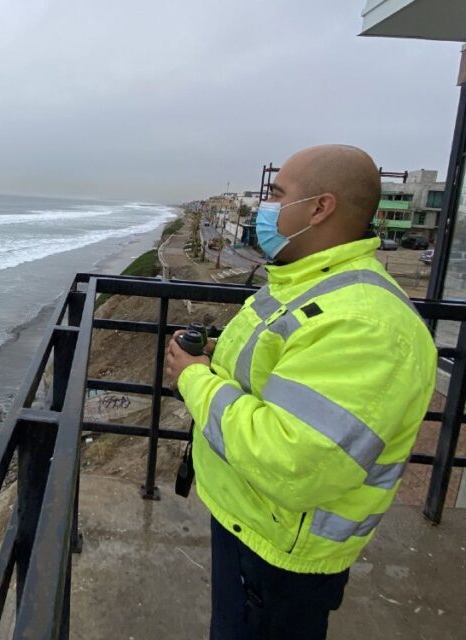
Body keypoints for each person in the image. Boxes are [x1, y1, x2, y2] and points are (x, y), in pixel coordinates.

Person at [165, 145, 437, 639]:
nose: (264, 206)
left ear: (319, 208)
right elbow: (272, 369)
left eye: (276, 194)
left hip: (280, 551)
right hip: (251, 522)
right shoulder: (303, 284)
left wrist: (193, 377)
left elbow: (292, 459)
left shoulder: (363, 324)